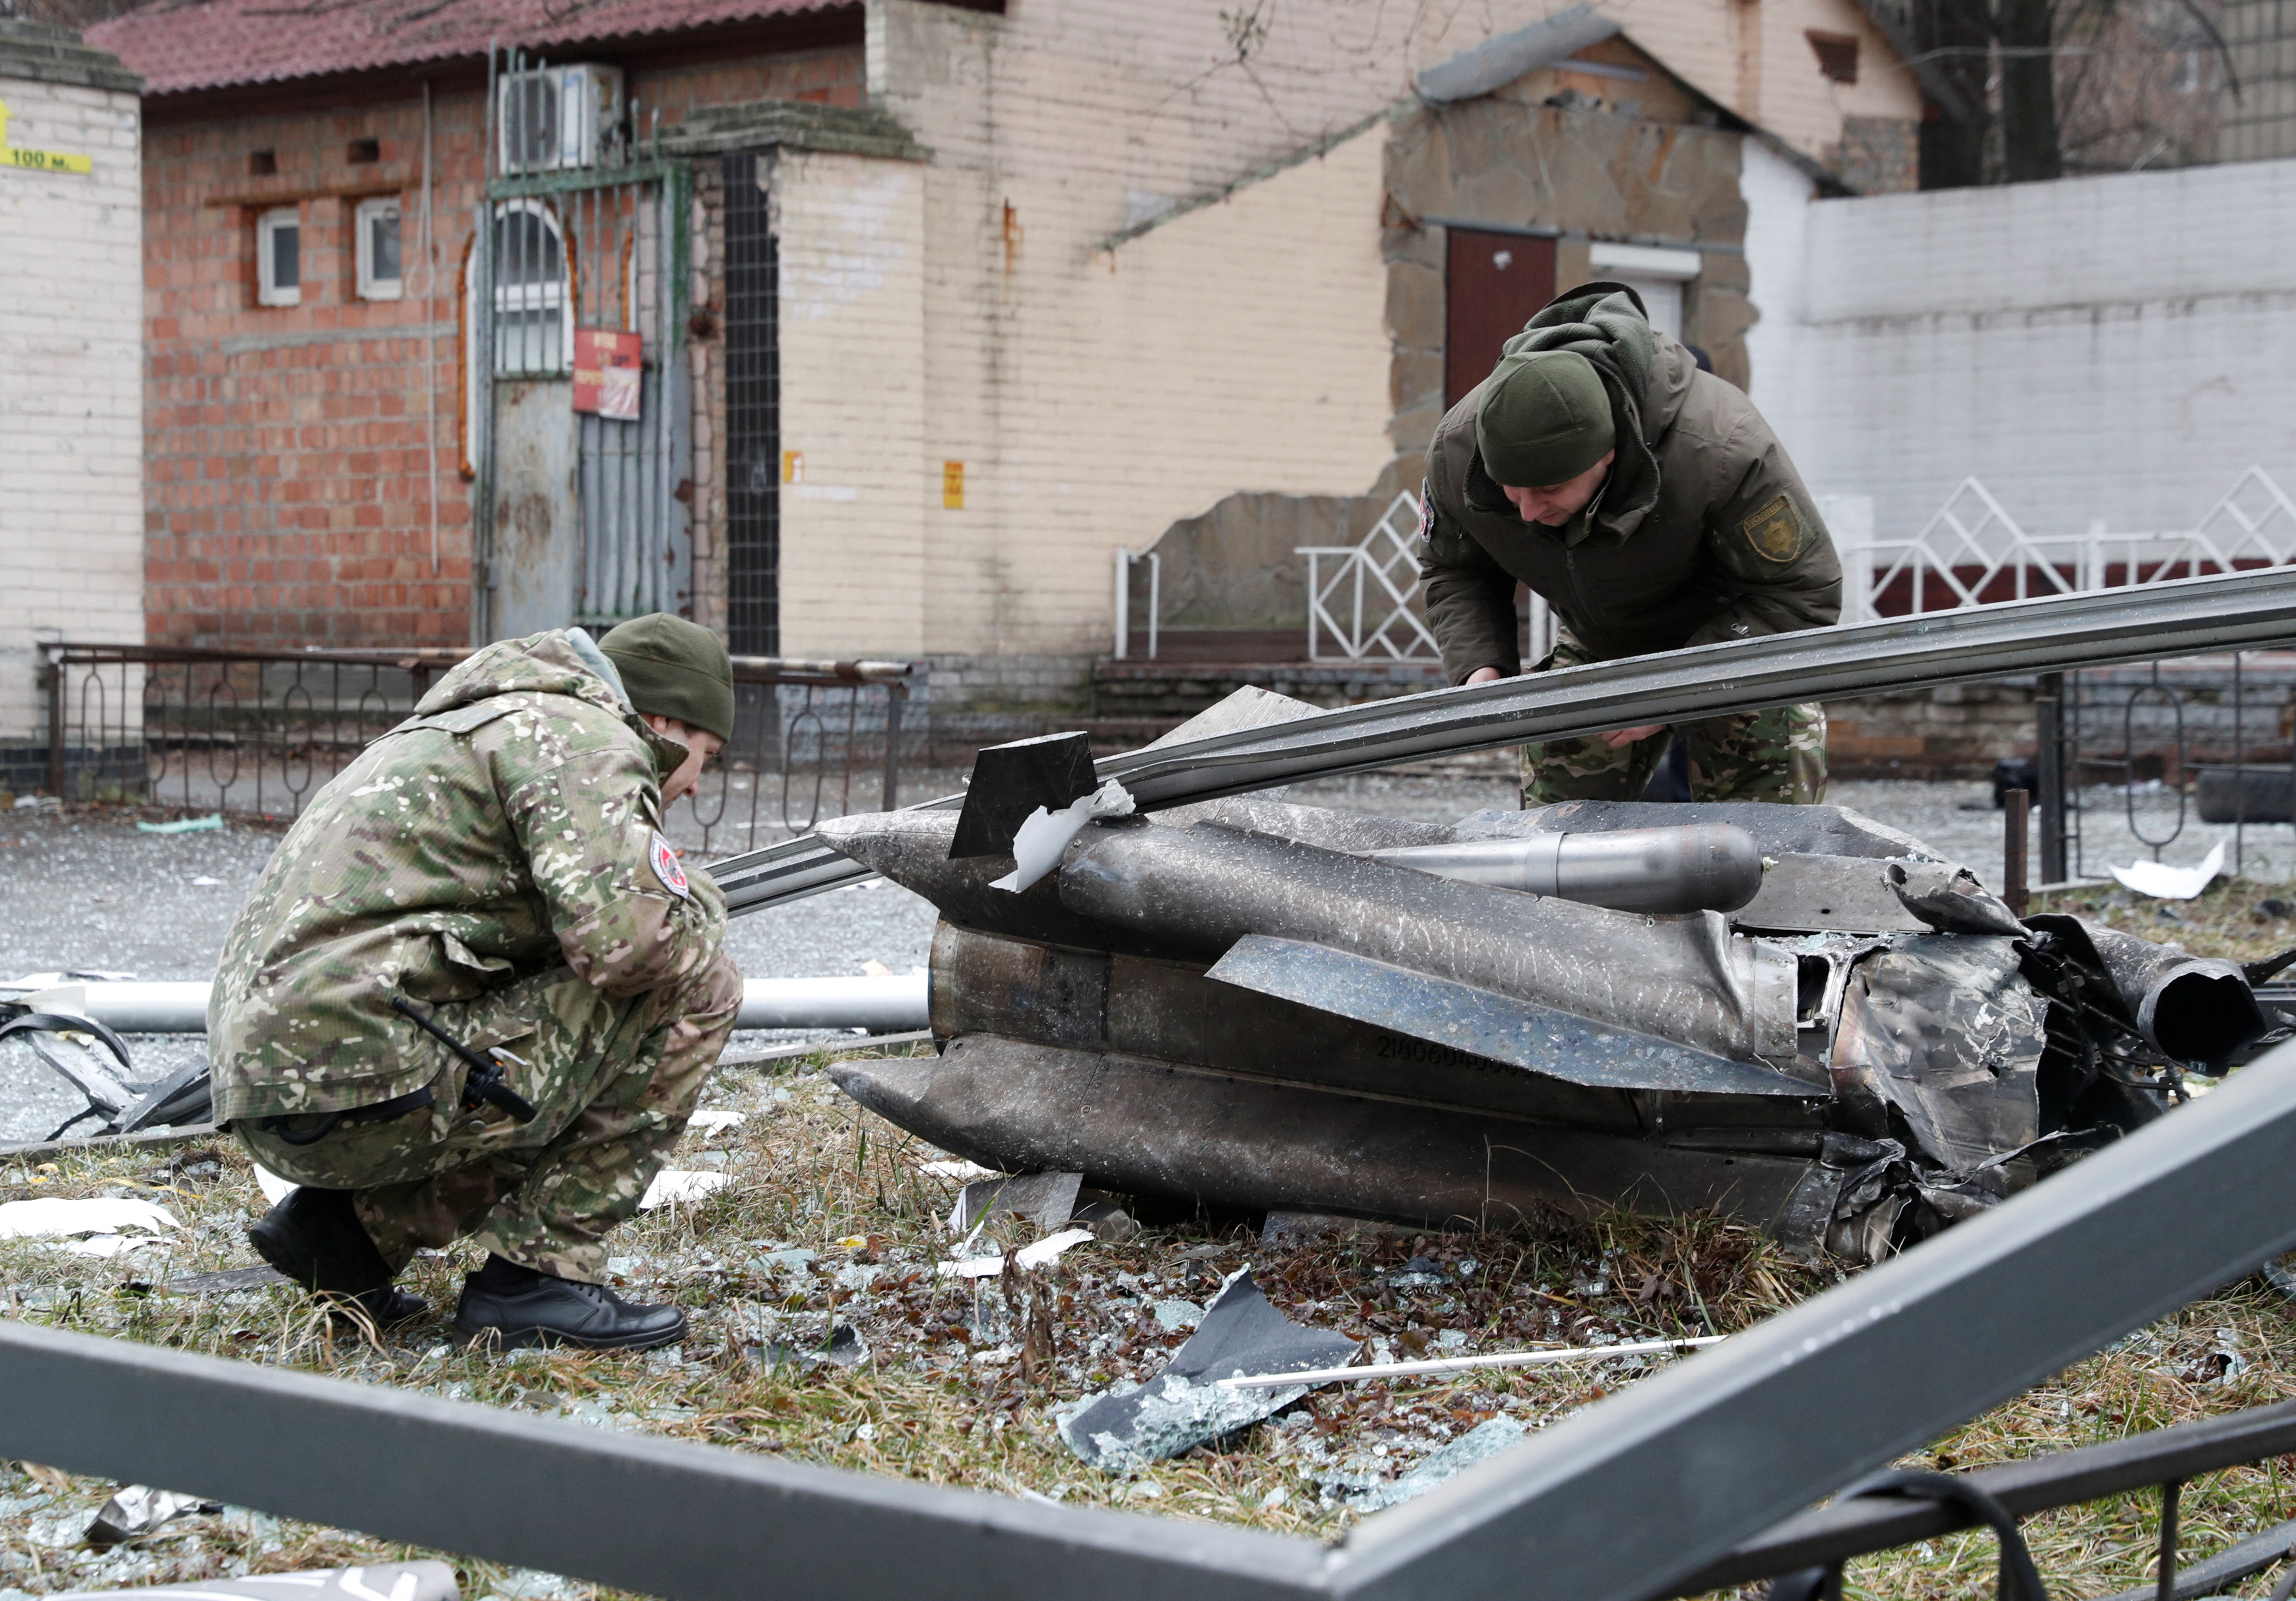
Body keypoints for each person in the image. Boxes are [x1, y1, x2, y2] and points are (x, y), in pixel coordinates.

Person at [208, 614, 744, 1351]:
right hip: (361, 1082)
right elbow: (629, 948)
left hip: (278, 1087)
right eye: (706, 756)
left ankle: (348, 1236)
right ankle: (538, 1278)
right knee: (696, 984)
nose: (692, 783)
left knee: (563, 1009)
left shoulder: (479, 722)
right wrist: (698, 902)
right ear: (665, 721)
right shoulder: (585, 736)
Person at [1418, 283, 1841, 806]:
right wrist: (1481, 666)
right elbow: (1456, 568)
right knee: (1554, 841)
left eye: (1549, 490)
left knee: (1764, 847)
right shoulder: (1458, 449)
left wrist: (1678, 689)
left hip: (1734, 647)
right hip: (1601, 643)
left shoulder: (1723, 448)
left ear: (1608, 455)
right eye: (1512, 492)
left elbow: (1803, 589)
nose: (1527, 512)